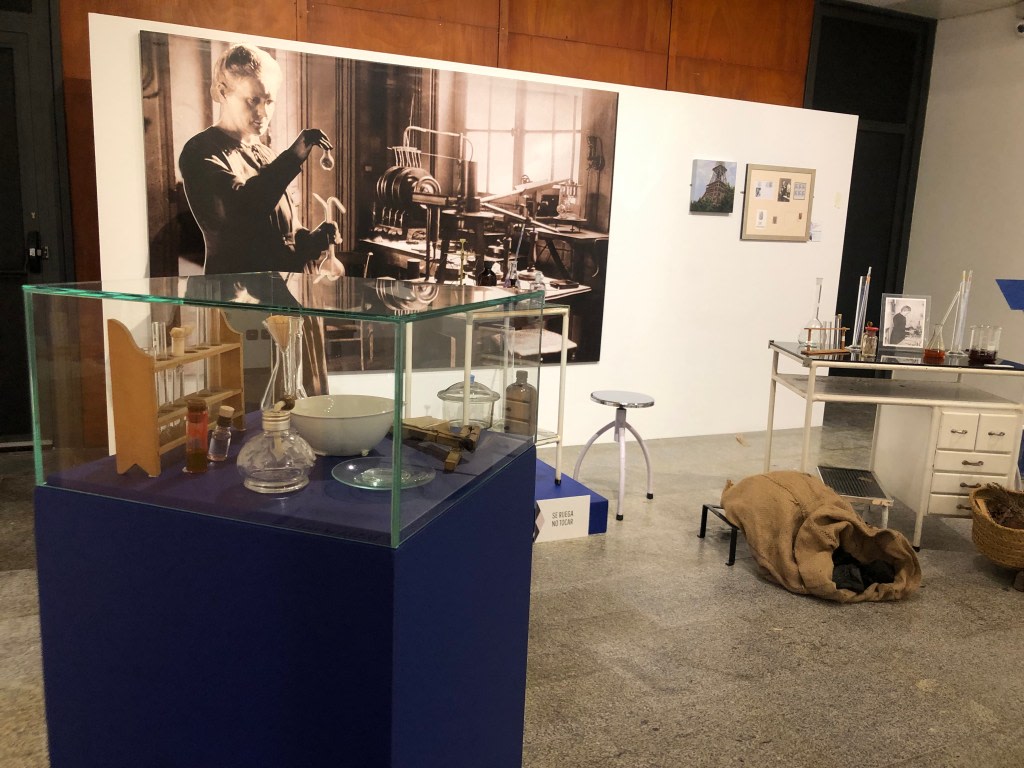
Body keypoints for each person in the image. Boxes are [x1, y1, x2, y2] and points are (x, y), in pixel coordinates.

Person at [179, 43, 339, 394]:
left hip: (280, 298)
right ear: (223, 91)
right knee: (255, 404)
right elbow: (240, 212)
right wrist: (295, 154)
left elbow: (281, 231)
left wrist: (312, 240)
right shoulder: (200, 152)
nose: (262, 112)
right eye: (253, 100)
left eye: (269, 101)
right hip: (240, 304)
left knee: (297, 398)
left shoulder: (262, 152)